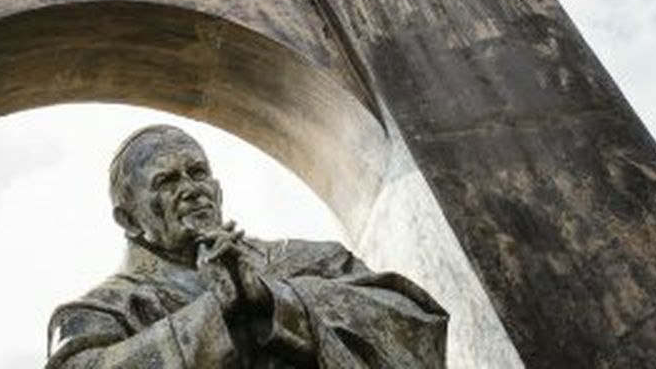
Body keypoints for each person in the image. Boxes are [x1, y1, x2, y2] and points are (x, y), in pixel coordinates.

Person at [45, 125, 448, 368]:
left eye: (198, 172)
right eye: (166, 182)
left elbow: (417, 323)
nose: (191, 189)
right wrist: (213, 312)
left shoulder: (303, 258)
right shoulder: (97, 313)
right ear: (129, 219)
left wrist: (274, 299)